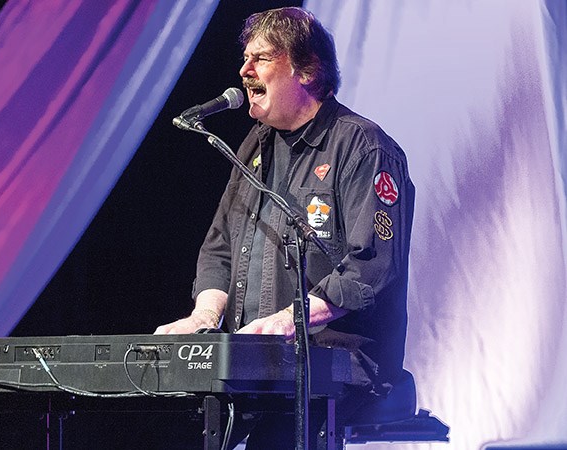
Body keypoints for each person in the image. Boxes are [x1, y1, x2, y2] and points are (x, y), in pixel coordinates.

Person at [155, 6, 414, 449]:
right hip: (261, 367)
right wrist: (203, 319)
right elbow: (219, 249)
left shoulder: (363, 146)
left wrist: (286, 322)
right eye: (245, 58)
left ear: (308, 71)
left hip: (338, 366)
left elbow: (370, 267)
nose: (244, 69)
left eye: (262, 58)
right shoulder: (256, 145)